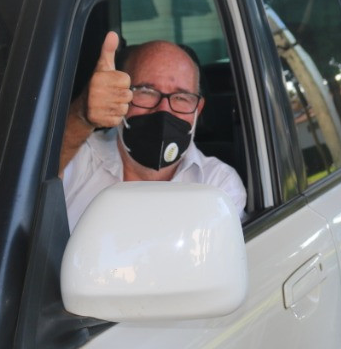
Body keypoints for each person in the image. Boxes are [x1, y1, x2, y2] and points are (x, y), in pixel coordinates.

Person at [60, 31, 245, 228]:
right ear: (119, 96)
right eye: (146, 92)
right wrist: (80, 117)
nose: (163, 110)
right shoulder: (80, 156)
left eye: (181, 97)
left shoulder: (219, 185)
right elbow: (41, 172)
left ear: (197, 110)